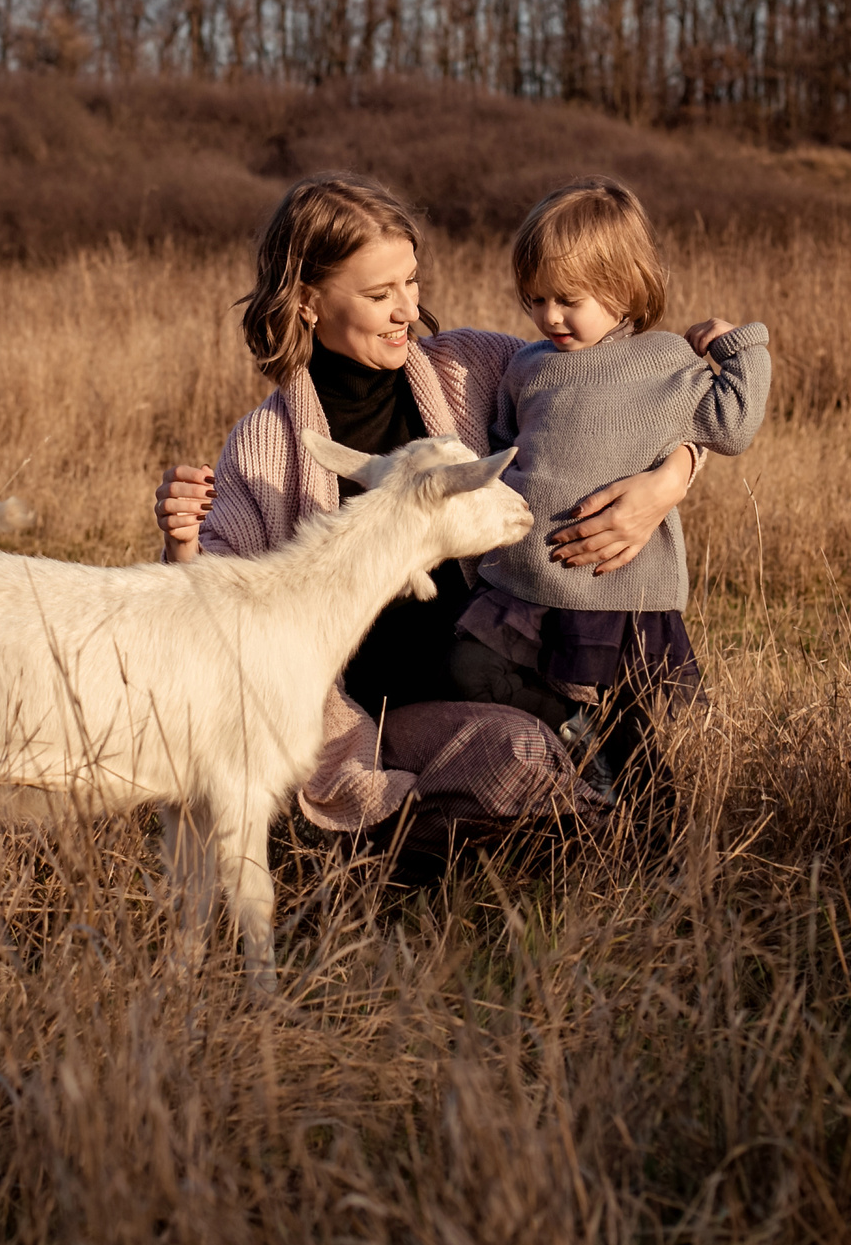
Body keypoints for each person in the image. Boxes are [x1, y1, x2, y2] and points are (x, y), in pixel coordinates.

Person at [151, 171, 701, 837]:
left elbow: (628, 390)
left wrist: (670, 479)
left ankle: (601, 821)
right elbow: (209, 607)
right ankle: (417, 832)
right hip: (381, 700)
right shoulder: (266, 446)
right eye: (381, 293)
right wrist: (181, 537)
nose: (407, 309)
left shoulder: (471, 366)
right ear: (307, 302)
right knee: (521, 760)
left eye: (411, 282)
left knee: (565, 752)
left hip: (514, 664)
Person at [451, 176, 770, 797]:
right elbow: (503, 448)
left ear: (624, 287)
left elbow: (733, 427)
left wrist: (739, 346)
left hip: (615, 585)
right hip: (525, 579)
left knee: (633, 724)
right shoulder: (527, 365)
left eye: (567, 299)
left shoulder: (664, 360)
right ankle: (574, 730)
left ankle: (655, 841)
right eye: (535, 300)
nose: (549, 316)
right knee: (467, 668)